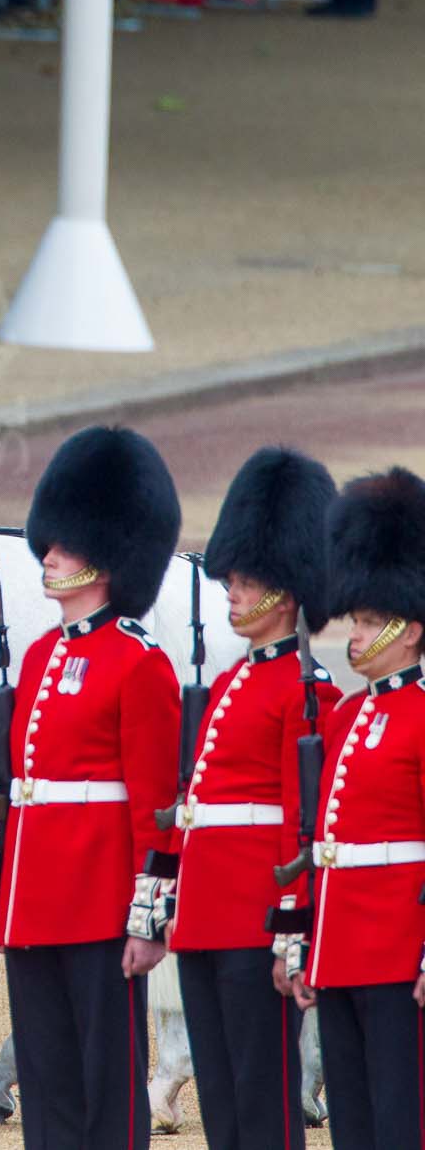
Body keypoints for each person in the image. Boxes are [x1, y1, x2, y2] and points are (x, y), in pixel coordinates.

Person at [0, 425, 182, 1150]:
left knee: (109, 1091)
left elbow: (155, 807)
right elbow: (21, 792)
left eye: (66, 543)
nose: (50, 553)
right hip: (37, 902)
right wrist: (4, 898)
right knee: (48, 1088)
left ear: (105, 555)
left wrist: (147, 919)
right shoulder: (39, 657)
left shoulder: (139, 663)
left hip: (103, 905)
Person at [168, 447, 337, 1150]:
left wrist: (290, 929)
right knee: (223, 1104)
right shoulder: (234, 681)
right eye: (231, 577)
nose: (231, 591)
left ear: (287, 590)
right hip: (205, 914)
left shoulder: (308, 690)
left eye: (245, 580)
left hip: (255, 917)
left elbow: (300, 825)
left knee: (263, 1103)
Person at [295, 467, 425, 1148]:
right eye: (357, 616)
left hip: (400, 947)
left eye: (372, 619)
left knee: (401, 1118)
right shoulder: (346, 717)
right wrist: (312, 940)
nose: (355, 631)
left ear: (409, 630)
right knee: (352, 1121)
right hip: (342, 944)